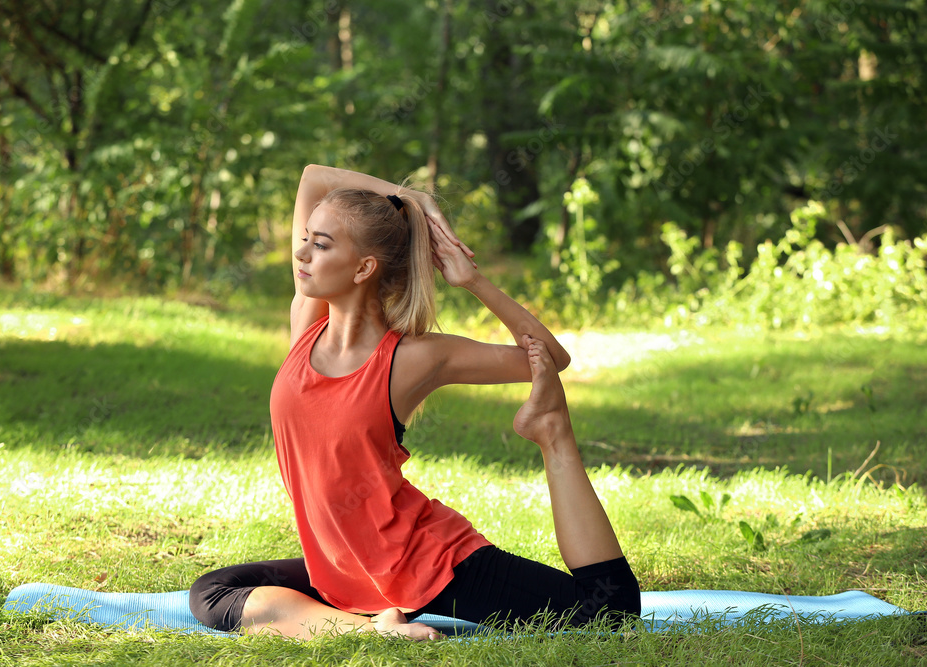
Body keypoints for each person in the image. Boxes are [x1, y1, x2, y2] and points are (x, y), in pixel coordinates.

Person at [189, 165, 640, 640]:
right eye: (306, 237)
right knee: (213, 591)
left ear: (364, 268)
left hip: (424, 563)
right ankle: (368, 628)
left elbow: (550, 358)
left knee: (609, 614)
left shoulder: (413, 358)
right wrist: (413, 198)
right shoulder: (306, 325)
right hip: (344, 565)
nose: (301, 252)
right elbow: (312, 178)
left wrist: (474, 282)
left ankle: (552, 433)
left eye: (321, 244)